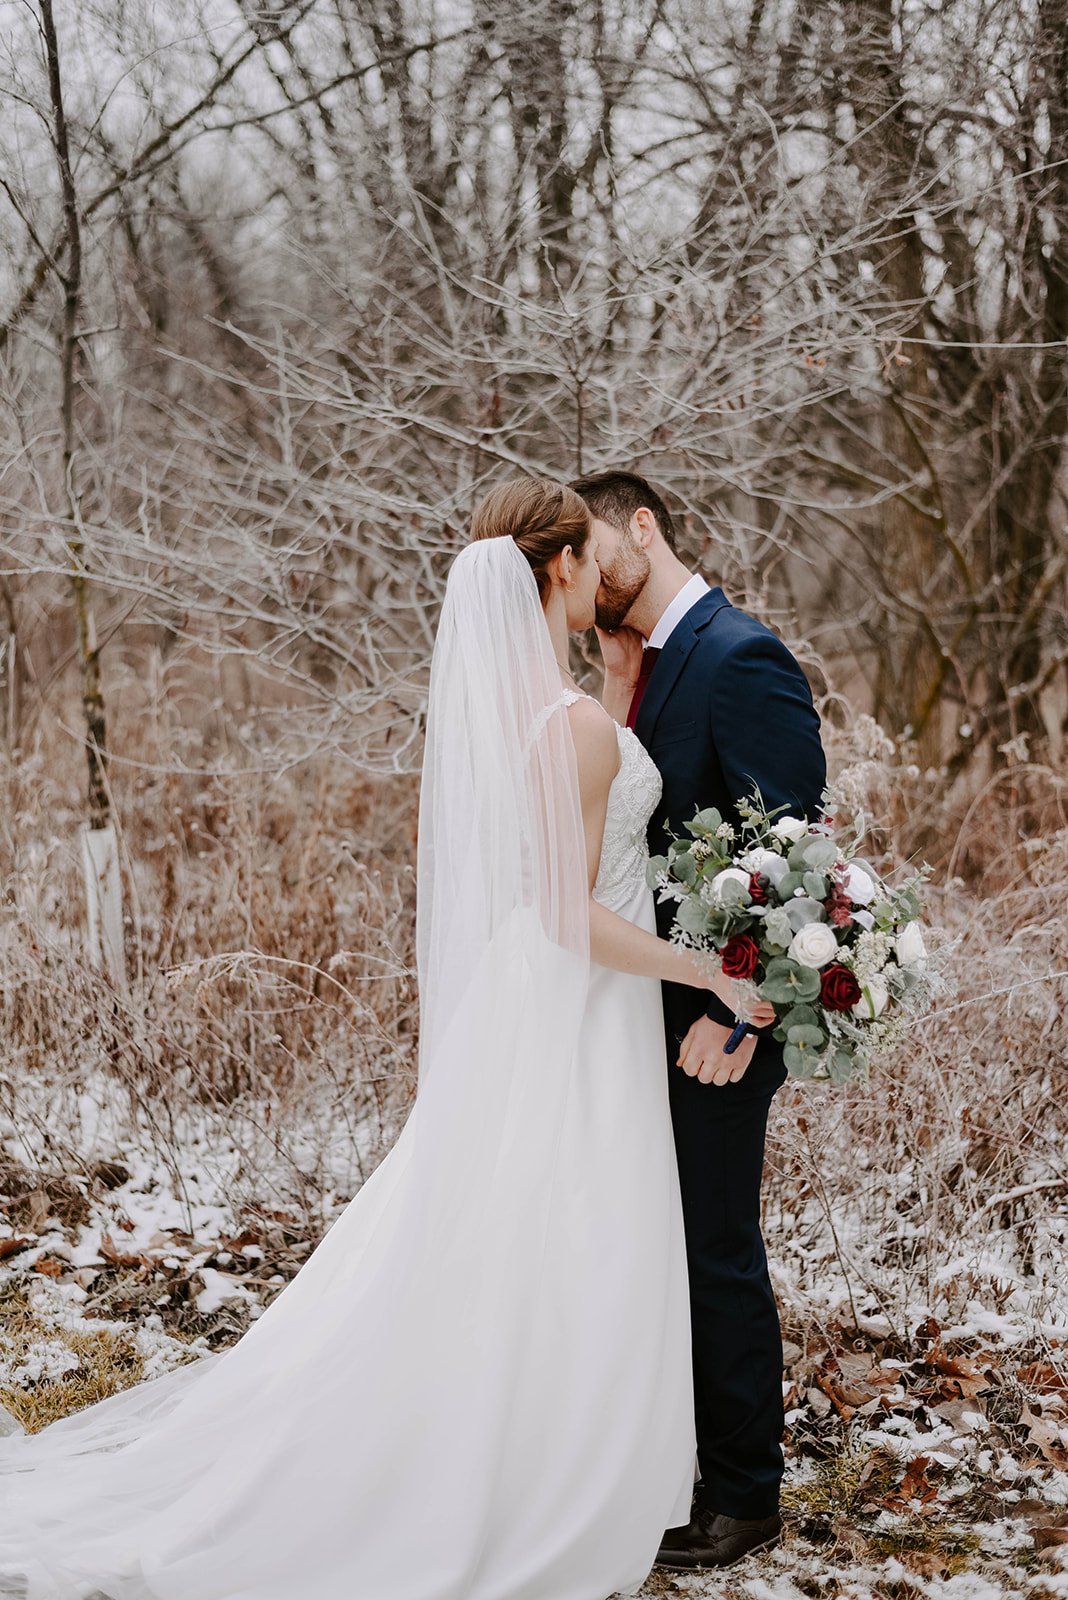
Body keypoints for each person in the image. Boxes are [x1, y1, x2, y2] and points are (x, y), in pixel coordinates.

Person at [0, 478, 771, 1600]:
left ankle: (522, 1439)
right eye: (585, 559)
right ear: (557, 572)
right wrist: (714, 968)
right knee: (575, 1230)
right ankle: (541, 1465)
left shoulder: (522, 714)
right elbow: (573, 912)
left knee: (518, 1233)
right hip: (580, 1001)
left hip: (535, 998)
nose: (600, 575)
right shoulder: (578, 729)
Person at [571, 469, 826, 1571]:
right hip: (651, 1009)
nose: (583, 578)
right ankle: (667, 1456)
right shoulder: (647, 668)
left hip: (718, 1023)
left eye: (591, 548)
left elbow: (794, 860)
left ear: (644, 525)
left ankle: (744, 1492)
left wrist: (745, 1018)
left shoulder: (739, 655)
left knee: (716, 1247)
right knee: (663, 1244)